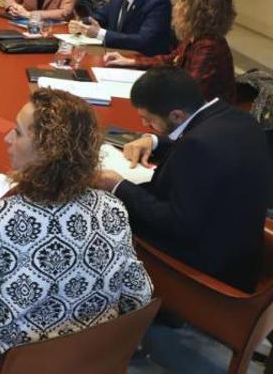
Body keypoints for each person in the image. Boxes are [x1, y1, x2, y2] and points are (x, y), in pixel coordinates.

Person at [0, 88, 152, 370]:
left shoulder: (2, 219)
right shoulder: (113, 208)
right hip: (89, 356)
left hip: (11, 361)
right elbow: (139, 294)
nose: (7, 138)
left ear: (47, 150)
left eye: (19, 132)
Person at [96, 66, 273, 292]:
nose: (144, 126)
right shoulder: (237, 118)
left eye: (148, 120)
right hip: (240, 249)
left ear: (177, 115)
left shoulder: (198, 146)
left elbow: (176, 223)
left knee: (104, 217)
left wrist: (118, 185)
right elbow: (199, 142)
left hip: (206, 268)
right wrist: (154, 141)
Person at [104, 0, 237, 103]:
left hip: (204, 120)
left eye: (180, 2)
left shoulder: (209, 47)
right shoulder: (195, 37)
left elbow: (190, 94)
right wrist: (132, 62)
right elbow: (172, 60)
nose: (175, 6)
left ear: (195, 12)